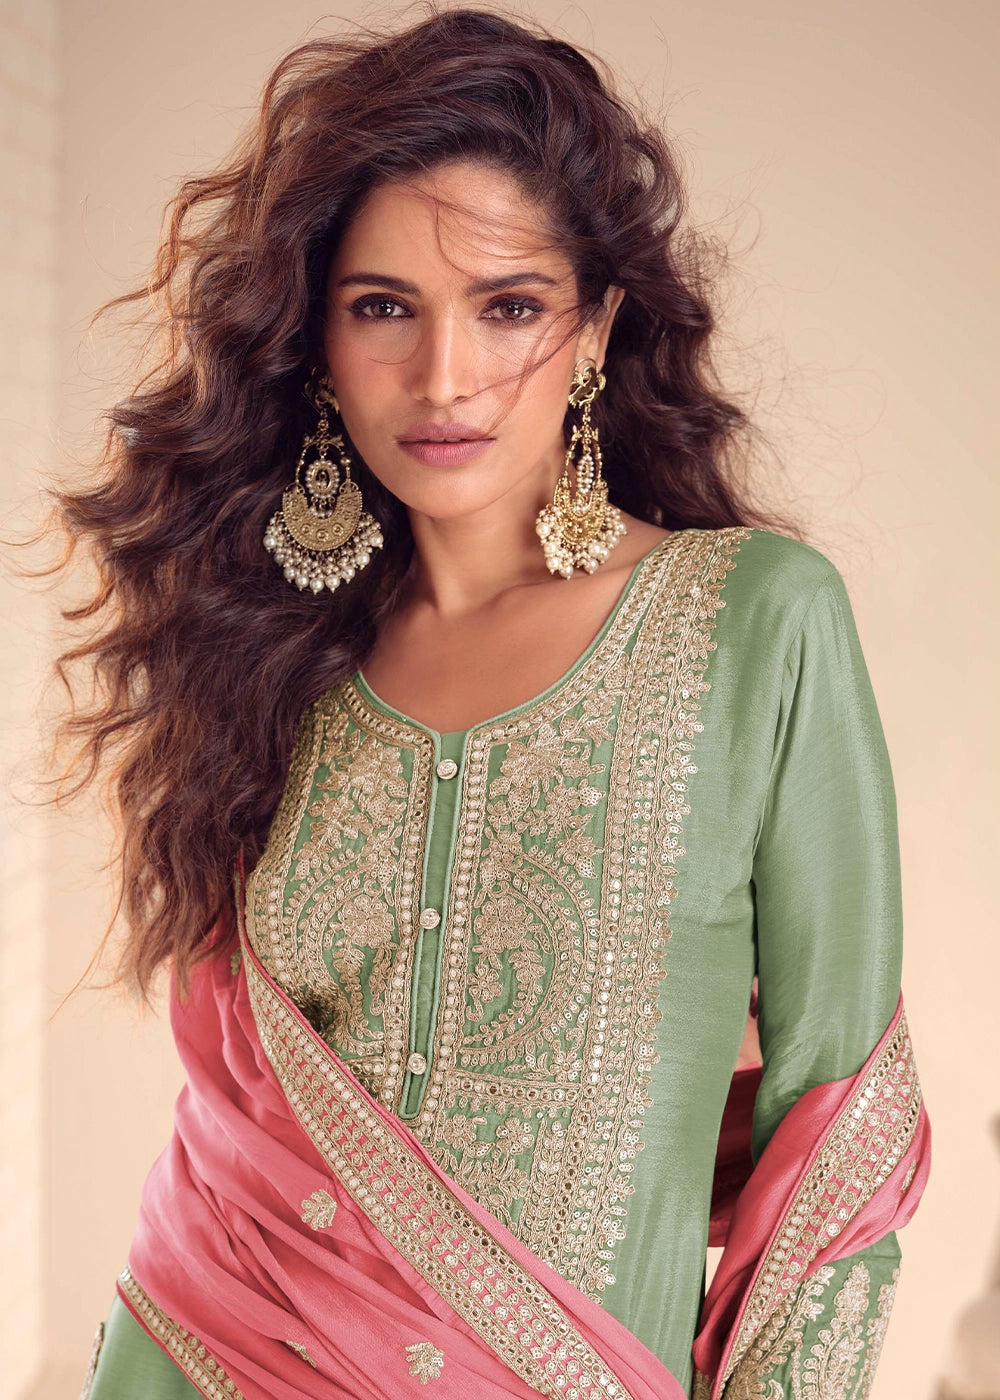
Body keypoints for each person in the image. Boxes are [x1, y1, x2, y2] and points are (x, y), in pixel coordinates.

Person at [44, 8, 928, 1399]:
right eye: (382, 307)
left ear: (595, 332)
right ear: (316, 340)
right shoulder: (270, 663)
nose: (444, 377)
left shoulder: (755, 619)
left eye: (509, 307)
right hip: (198, 1348)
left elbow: (841, 1143)